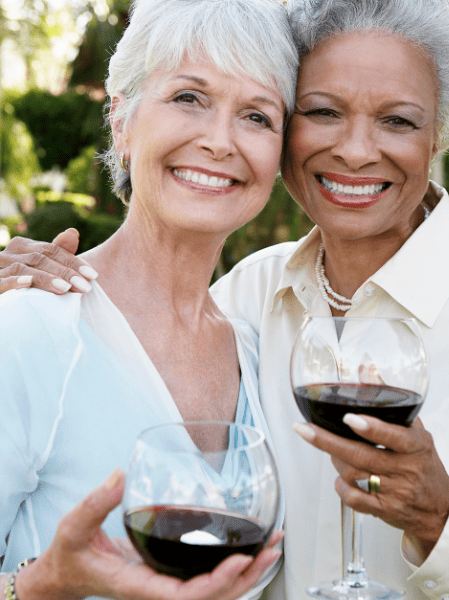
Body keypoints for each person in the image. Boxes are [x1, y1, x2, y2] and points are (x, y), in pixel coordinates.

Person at [3, 0, 449, 599]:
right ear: (121, 121)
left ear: (439, 133)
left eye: (398, 120)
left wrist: (443, 522)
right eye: (322, 111)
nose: (357, 151)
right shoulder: (254, 297)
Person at [0, 0, 298, 599]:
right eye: (189, 98)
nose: (220, 140)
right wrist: (45, 584)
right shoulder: (31, 327)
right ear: (122, 122)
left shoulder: (260, 350)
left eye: (257, 117)